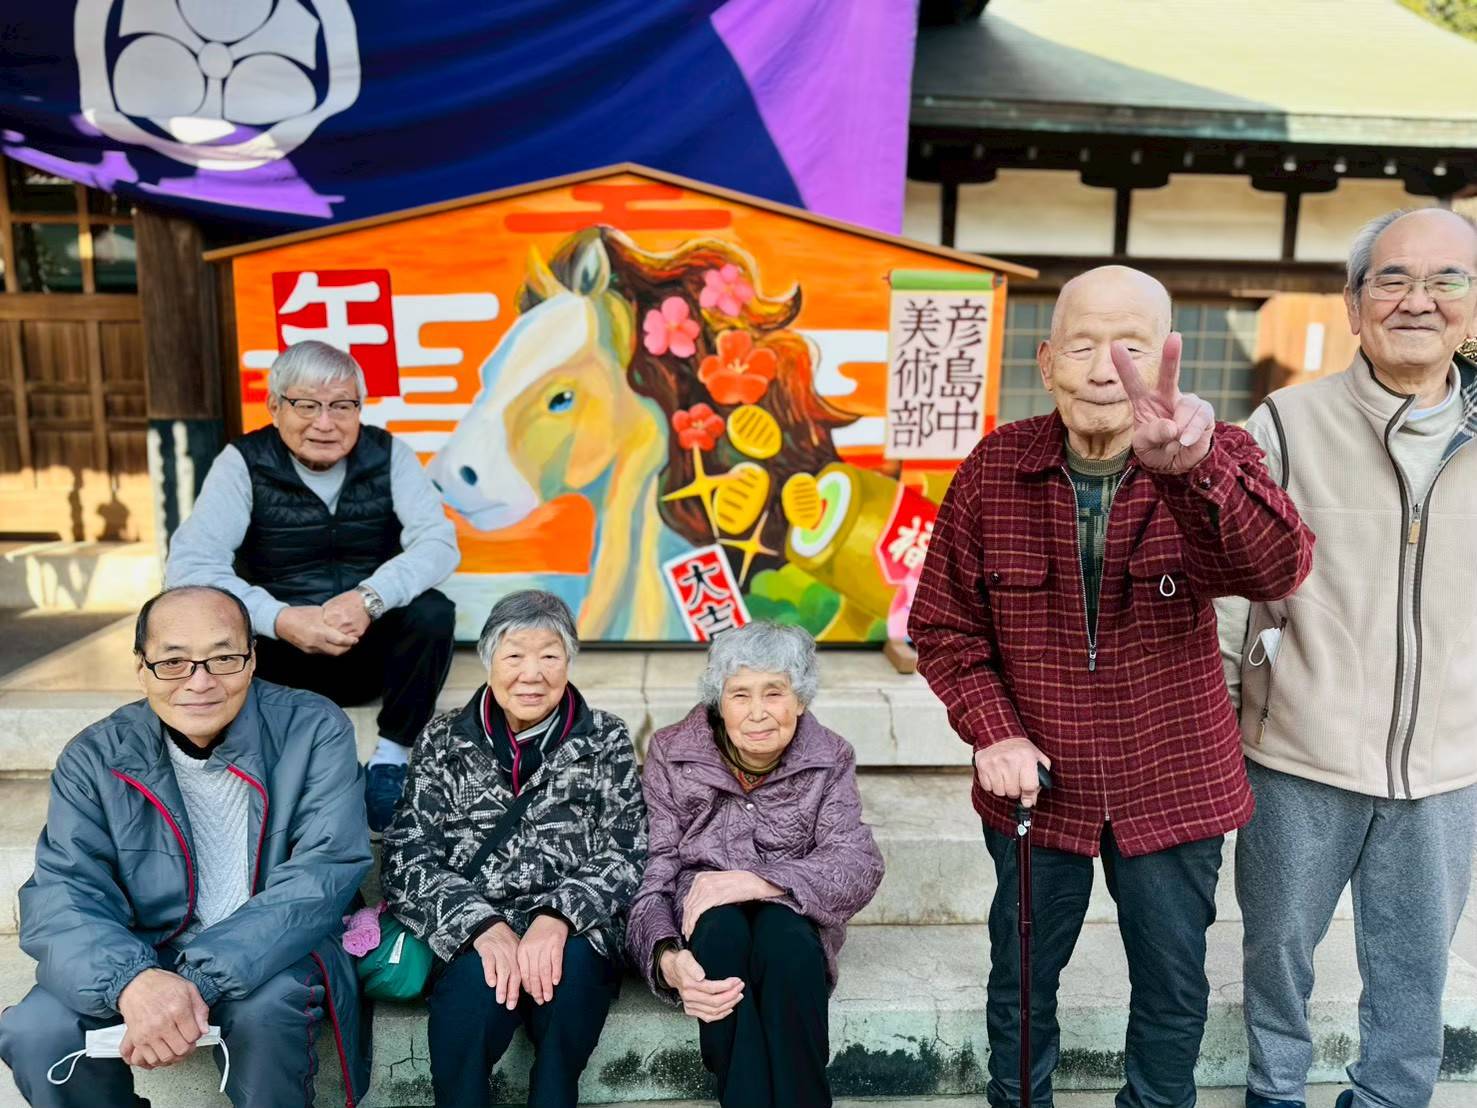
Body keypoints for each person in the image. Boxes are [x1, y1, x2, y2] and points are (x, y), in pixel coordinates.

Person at [909, 265, 1315, 1108]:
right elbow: (943, 626)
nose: (1105, 369)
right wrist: (993, 729)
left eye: (1129, 346)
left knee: (1171, 985)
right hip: (1037, 784)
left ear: (1167, 356)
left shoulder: (1218, 451)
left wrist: (1193, 469)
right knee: (1020, 979)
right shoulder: (991, 469)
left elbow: (1275, 565)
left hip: (1173, 777)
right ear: (1045, 360)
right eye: (1083, 346)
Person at [1217, 208, 1477, 1108]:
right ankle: (1273, 1092)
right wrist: (1225, 707)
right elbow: (1228, 578)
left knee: (1415, 969)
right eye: (1393, 279)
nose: (1419, 300)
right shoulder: (1286, 422)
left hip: (1445, 764)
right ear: (1353, 307)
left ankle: (1388, 1100)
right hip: (1298, 748)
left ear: (1473, 309)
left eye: (1447, 280)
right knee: (1276, 952)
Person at [0, 585, 371, 1108]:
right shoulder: (95, 756)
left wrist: (192, 979)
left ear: (252, 659)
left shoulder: (312, 728)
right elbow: (63, 892)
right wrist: (133, 982)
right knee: (36, 1031)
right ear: (141, 665)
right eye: (173, 662)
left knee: (268, 1012)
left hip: (272, 946)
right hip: (144, 948)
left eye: (223, 658)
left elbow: (323, 874)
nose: (200, 681)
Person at [165, 339, 461, 831]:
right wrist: (278, 618)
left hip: (367, 645)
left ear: (359, 410)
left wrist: (371, 598)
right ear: (275, 407)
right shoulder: (243, 462)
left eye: (342, 406)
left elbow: (439, 543)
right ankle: (286, 767)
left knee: (433, 612)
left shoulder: (389, 455)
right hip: (281, 656)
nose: (326, 423)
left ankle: (390, 758)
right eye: (307, 405)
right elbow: (191, 564)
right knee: (215, 618)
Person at [380, 589, 646, 1108]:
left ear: (568, 661)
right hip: (475, 926)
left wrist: (558, 916)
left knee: (566, 996)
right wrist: (481, 925)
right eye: (514, 656)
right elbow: (407, 855)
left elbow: (627, 850)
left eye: (549, 656)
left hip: (576, 928)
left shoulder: (606, 739)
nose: (533, 673)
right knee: (468, 1013)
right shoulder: (443, 739)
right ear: (488, 660)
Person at [627, 621, 884, 1108]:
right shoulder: (671, 754)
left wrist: (758, 880)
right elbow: (653, 871)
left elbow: (857, 864)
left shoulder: (829, 757)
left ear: (801, 699)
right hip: (702, 918)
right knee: (722, 935)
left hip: (789, 911)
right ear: (719, 701)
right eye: (740, 694)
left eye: (775, 692)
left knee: (786, 943)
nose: (758, 712)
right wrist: (665, 958)